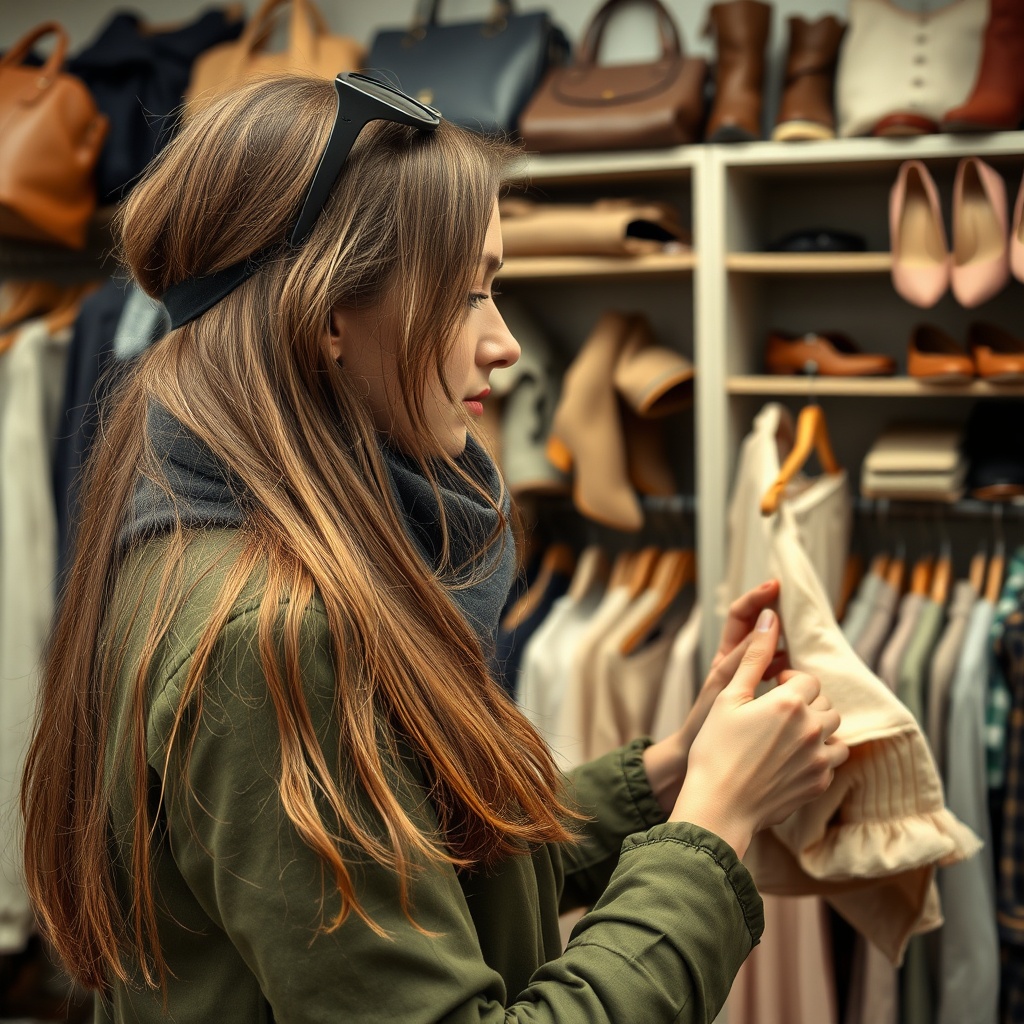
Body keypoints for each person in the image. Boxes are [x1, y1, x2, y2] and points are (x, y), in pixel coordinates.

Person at [21, 73, 848, 1023]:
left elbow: (408, 879)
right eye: (466, 296)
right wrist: (715, 824)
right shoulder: (272, 635)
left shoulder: (187, 533)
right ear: (328, 313)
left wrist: (663, 777)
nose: (505, 344)